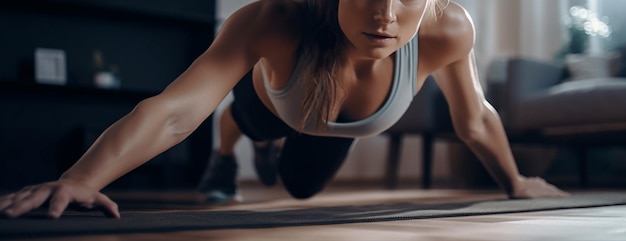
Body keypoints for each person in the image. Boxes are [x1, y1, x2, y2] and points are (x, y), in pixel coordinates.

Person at [0, 0, 568, 219]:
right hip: (273, 103)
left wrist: (515, 182)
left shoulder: (449, 29)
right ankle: (229, 151)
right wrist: (79, 178)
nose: (386, 15)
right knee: (246, 118)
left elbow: (475, 118)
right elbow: (175, 111)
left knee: (300, 190)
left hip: (330, 127)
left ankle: (266, 149)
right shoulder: (273, 20)